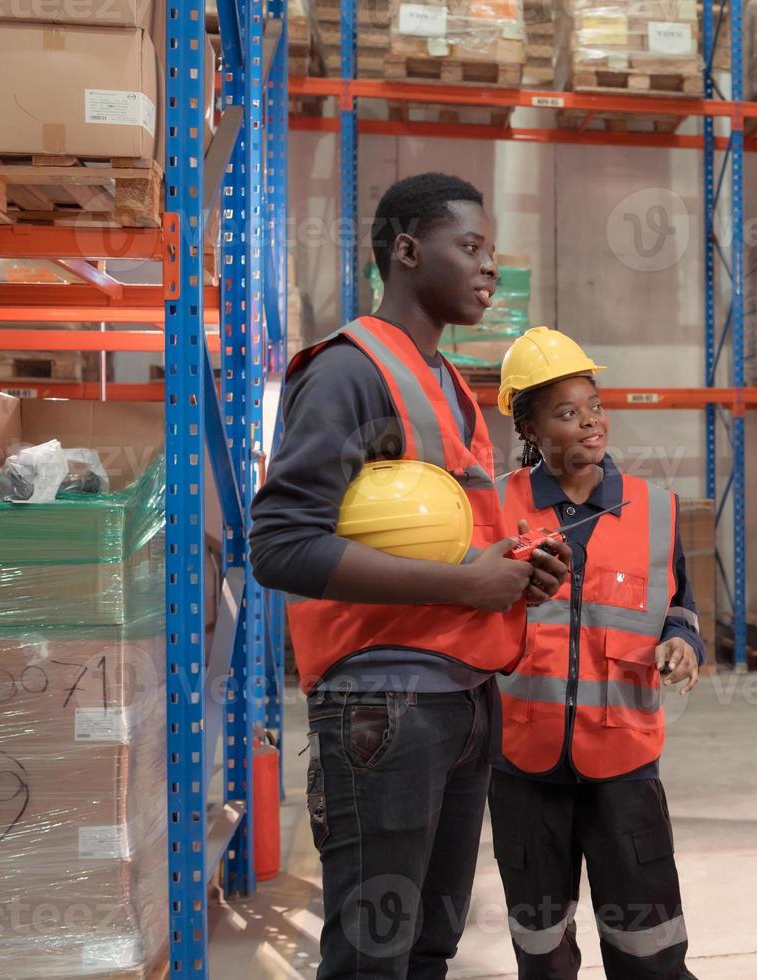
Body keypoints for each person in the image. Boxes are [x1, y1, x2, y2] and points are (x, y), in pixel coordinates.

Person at [249, 173, 570, 979]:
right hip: (381, 707)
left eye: (491, 251)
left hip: (459, 700)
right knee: (372, 957)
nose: (488, 268)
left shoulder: (451, 385)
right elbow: (280, 544)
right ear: (405, 250)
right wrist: (466, 586)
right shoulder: (348, 373)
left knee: (428, 948)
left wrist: (516, 572)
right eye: (469, 247)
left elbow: (442, 539)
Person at [488, 327, 703, 979]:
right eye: (566, 412)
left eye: (594, 405)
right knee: (541, 949)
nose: (589, 423)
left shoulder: (656, 510)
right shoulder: (495, 509)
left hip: (624, 768)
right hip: (523, 768)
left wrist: (680, 642)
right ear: (528, 425)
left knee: (649, 950)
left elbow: (680, 605)